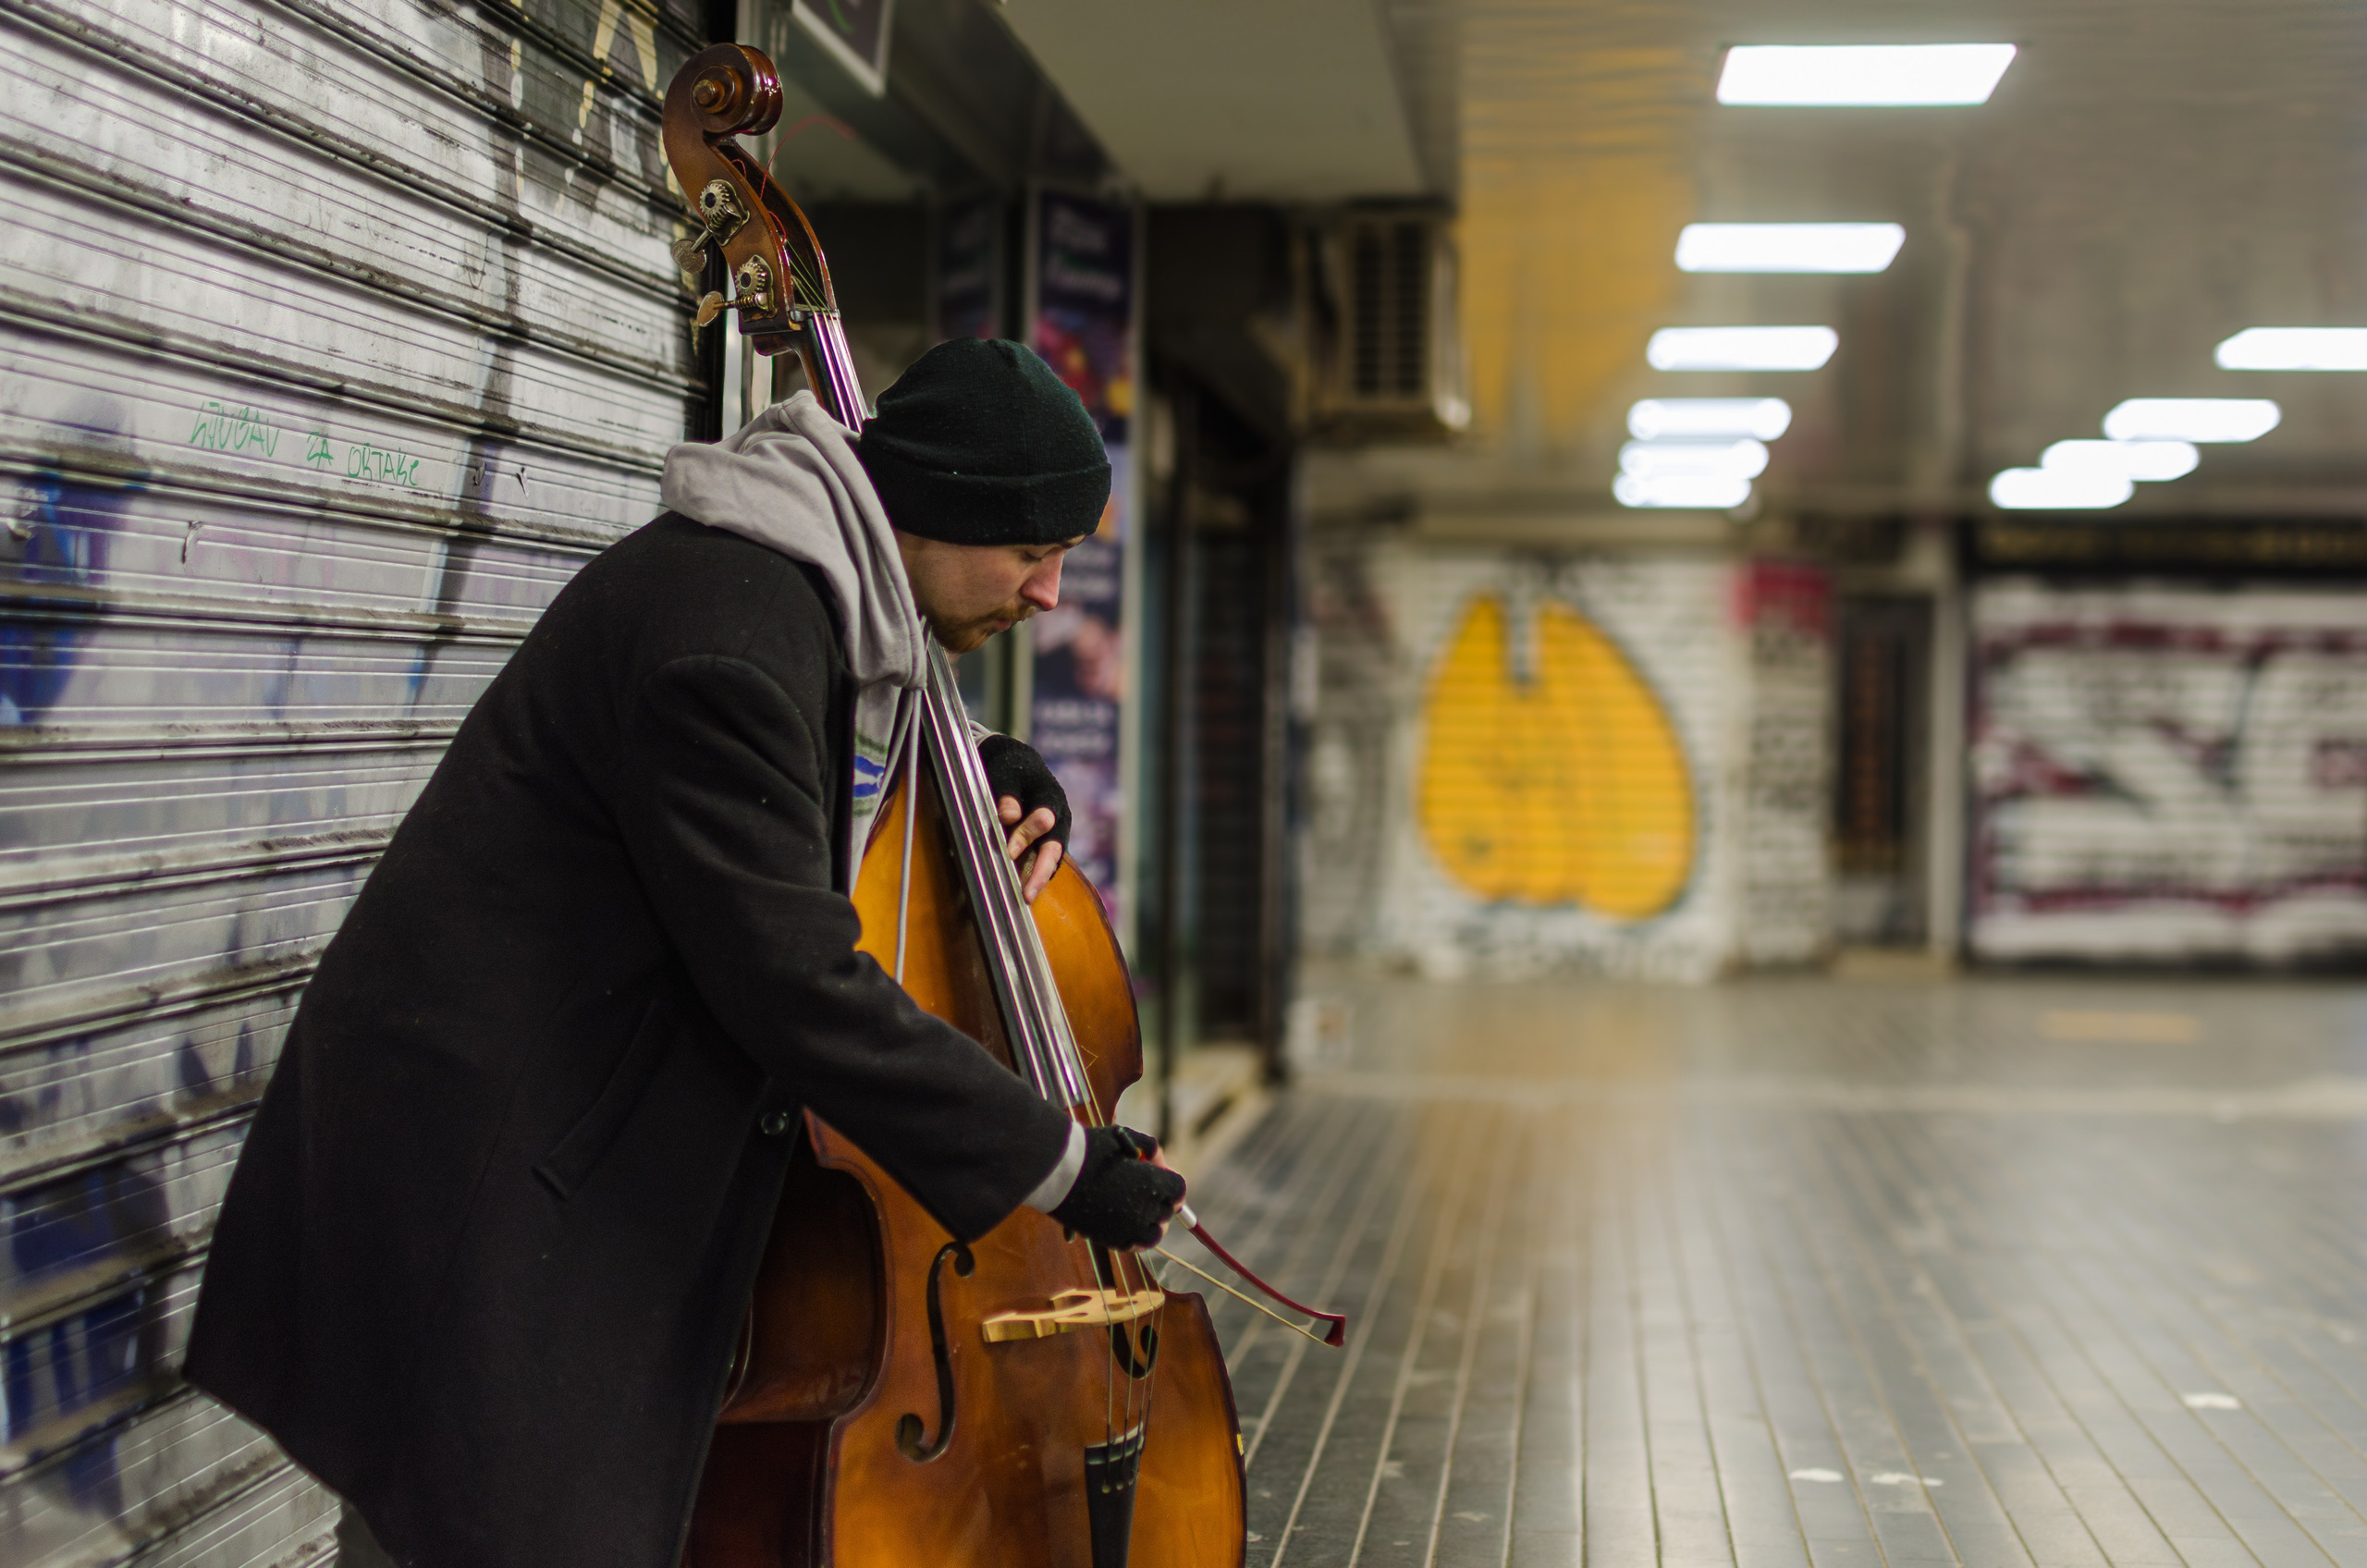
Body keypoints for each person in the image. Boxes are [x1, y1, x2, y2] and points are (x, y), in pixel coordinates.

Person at [183, 339, 1186, 1568]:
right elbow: (797, 984)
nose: (1048, 593)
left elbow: (853, 722)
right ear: (932, 512)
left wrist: (979, 765)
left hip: (572, 1169)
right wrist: (1060, 1166)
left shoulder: (806, 592)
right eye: (1034, 552)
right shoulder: (725, 637)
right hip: (489, 1191)